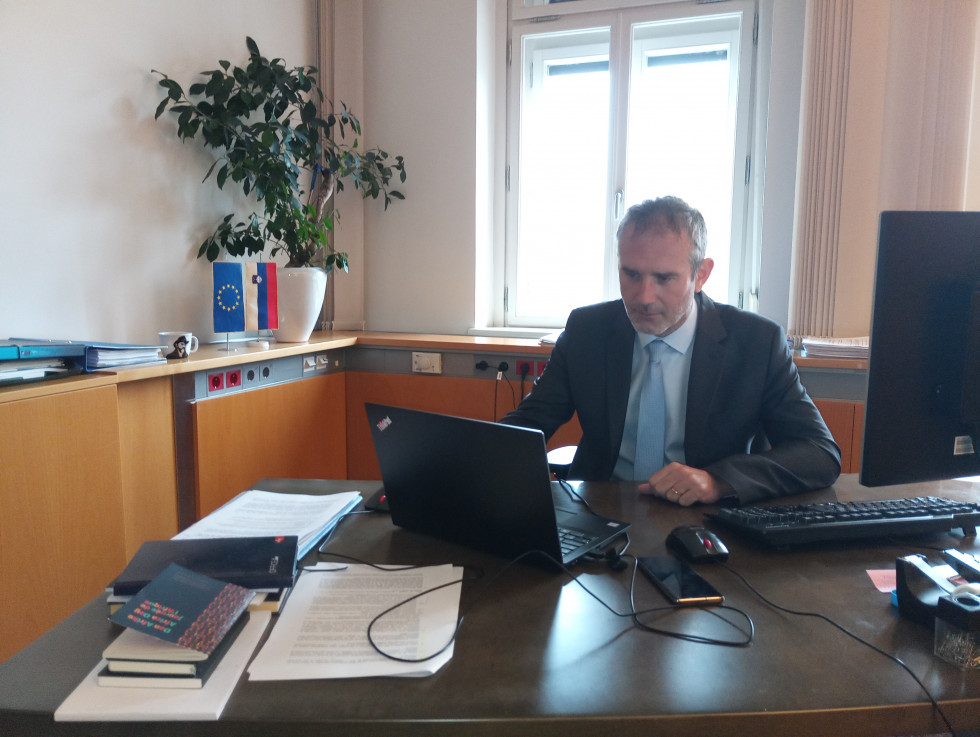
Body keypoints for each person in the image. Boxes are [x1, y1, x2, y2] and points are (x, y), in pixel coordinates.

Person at [501, 196, 841, 506]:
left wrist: (718, 481)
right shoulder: (587, 330)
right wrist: (469, 458)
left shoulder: (756, 343)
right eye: (631, 274)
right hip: (599, 510)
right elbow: (529, 424)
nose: (644, 297)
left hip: (708, 519)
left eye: (664, 278)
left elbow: (819, 453)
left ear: (701, 275)